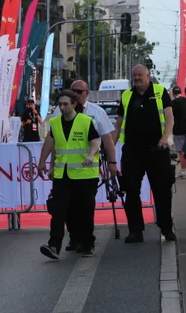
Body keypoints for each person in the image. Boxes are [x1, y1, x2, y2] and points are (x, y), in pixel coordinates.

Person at [113, 65, 176, 243]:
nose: (137, 78)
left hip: (157, 149)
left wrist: (166, 137)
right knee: (131, 191)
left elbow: (170, 117)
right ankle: (135, 230)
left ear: (148, 76)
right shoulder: (126, 96)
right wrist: (109, 146)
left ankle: (166, 228)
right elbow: (118, 125)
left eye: (140, 75)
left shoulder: (159, 92)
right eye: (134, 75)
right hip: (132, 151)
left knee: (162, 191)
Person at [38, 90, 101, 260]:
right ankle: (54, 245)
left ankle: (87, 243)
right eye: (60, 104)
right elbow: (52, 144)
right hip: (62, 174)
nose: (62, 107)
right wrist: (44, 162)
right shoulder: (55, 122)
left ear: (74, 104)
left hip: (85, 174)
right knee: (59, 210)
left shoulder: (85, 121)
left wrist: (90, 155)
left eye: (66, 104)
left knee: (85, 210)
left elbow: (95, 142)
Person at [67, 80, 118, 252]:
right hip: (67, 168)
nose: (76, 94)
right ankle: (74, 237)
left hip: (88, 169)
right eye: (72, 91)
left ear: (87, 93)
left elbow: (107, 140)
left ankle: (87, 240)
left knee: (86, 205)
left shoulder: (97, 112)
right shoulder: (63, 110)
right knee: (69, 205)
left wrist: (112, 162)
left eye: (79, 91)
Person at [170, 86, 186, 179]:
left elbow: (171, 116)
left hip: (178, 129)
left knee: (181, 151)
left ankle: (183, 170)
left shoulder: (173, 103)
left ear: (173, 94)